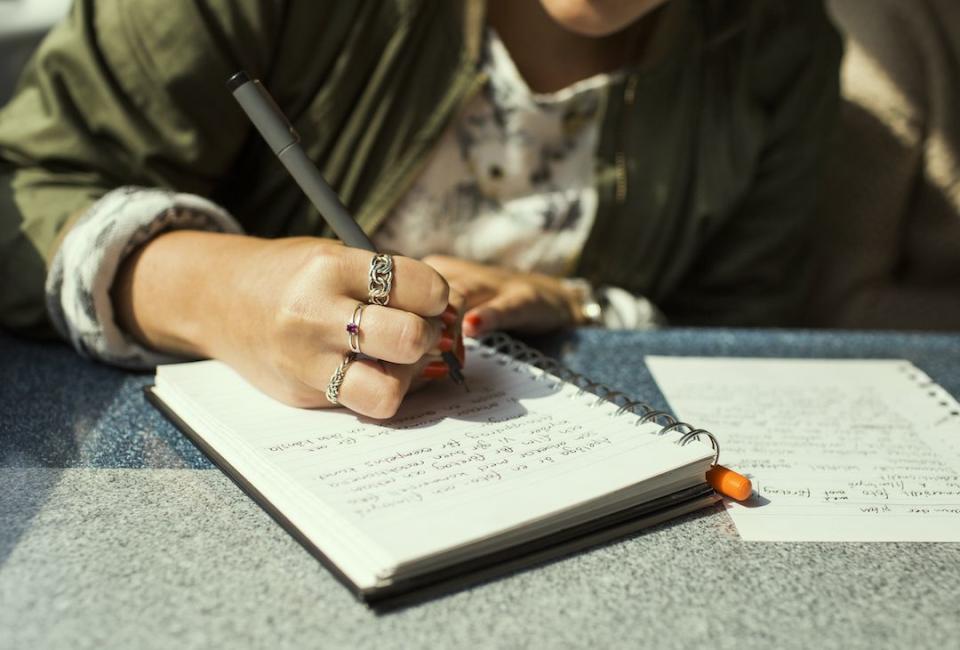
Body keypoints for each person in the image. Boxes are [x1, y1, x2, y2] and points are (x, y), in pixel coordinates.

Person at [0, 0, 841, 418]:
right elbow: (25, 188)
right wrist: (223, 292)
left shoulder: (776, 44)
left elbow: (745, 343)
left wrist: (582, 307)